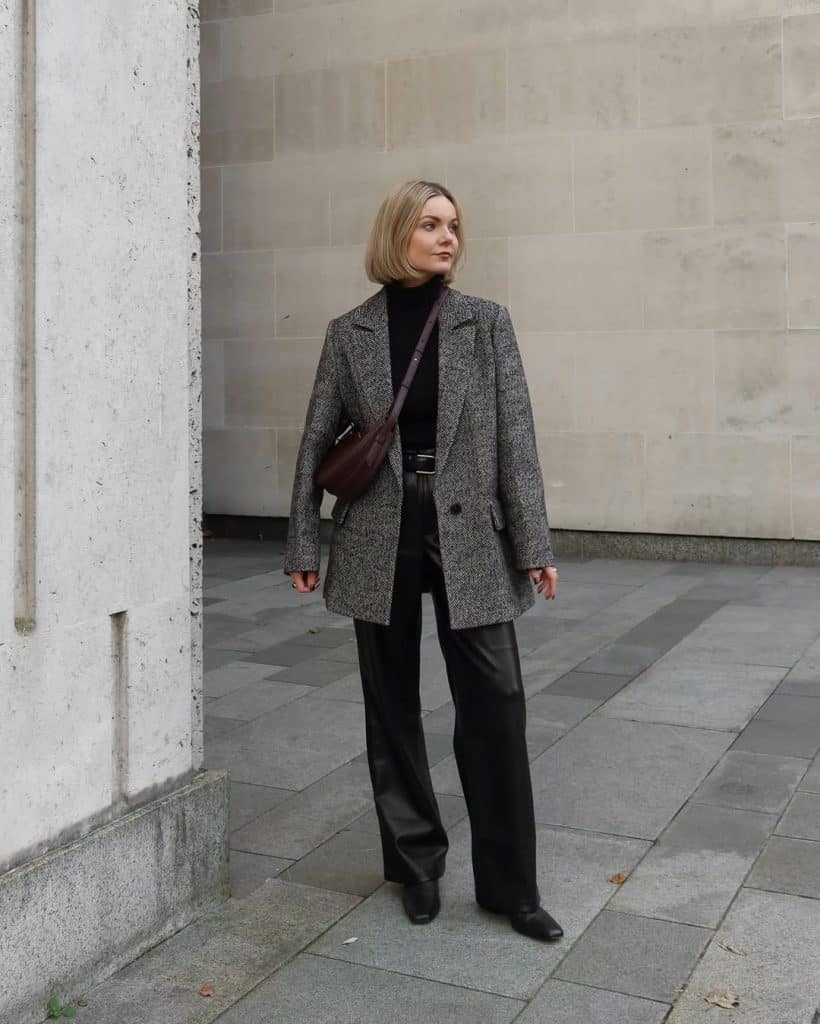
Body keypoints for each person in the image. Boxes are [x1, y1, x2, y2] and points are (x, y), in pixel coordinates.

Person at [284, 180, 562, 942]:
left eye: (454, 226)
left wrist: (534, 545)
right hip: (380, 528)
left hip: (471, 530)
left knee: (497, 704)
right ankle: (416, 867)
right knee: (391, 703)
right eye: (431, 224)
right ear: (397, 233)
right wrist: (304, 540)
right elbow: (315, 440)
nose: (447, 238)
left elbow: (516, 441)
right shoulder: (350, 332)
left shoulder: (485, 322)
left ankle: (512, 888)